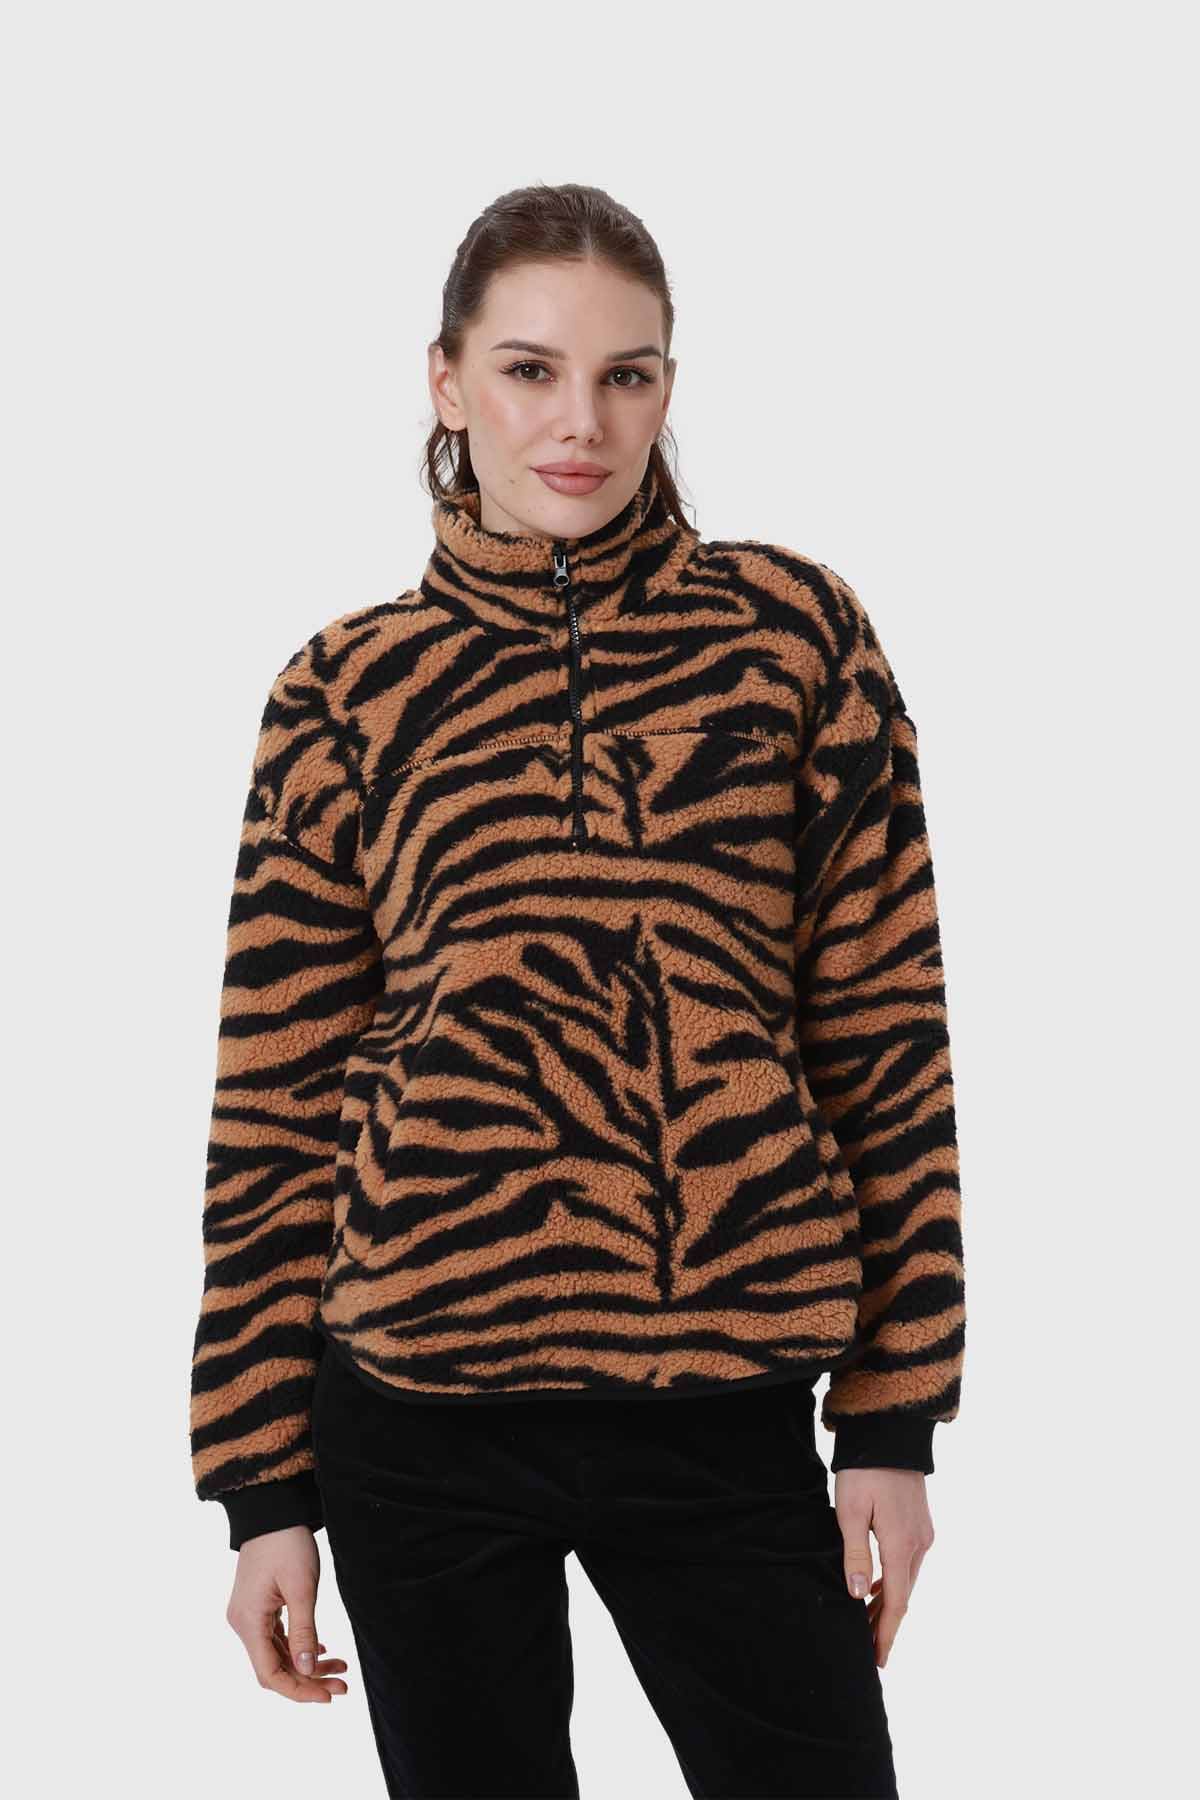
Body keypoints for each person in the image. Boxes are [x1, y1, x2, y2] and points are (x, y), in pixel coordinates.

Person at [189, 181, 966, 1799]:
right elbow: (275, 1102)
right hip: (414, 1409)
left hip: (725, 1398)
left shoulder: (795, 641)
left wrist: (893, 1421)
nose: (580, 424)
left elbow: (887, 1041)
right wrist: (263, 1487)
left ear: (669, 387)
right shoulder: (343, 694)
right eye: (531, 370)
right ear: (448, 381)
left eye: (628, 375)